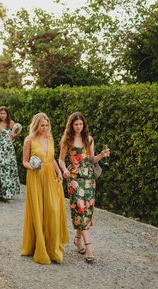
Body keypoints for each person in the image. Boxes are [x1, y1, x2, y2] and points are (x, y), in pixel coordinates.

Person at [59, 112, 110, 263]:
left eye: (80, 124)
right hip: (74, 179)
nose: (78, 127)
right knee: (80, 209)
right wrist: (64, 170)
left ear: (84, 125)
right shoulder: (67, 141)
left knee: (87, 210)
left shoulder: (89, 139)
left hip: (89, 179)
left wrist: (101, 155)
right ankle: (89, 249)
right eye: (76, 124)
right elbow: (61, 160)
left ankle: (77, 239)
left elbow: (92, 159)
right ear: (71, 125)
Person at [21, 112, 69, 265]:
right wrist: (32, 168)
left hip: (50, 176)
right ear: (36, 125)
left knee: (53, 210)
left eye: (47, 125)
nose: (45, 128)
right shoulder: (29, 140)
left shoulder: (50, 138)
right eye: (42, 125)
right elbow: (24, 161)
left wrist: (59, 171)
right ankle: (40, 248)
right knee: (38, 211)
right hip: (35, 177)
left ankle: (53, 249)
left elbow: (52, 158)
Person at [0, 106, 20, 201]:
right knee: (2, 168)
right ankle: (1, 193)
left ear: (7, 114)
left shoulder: (11, 123)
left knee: (9, 168)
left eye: (4, 113)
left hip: (9, 148)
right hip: (0, 148)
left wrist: (15, 135)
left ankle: (9, 193)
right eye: (1, 113)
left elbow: (13, 137)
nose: (3, 115)